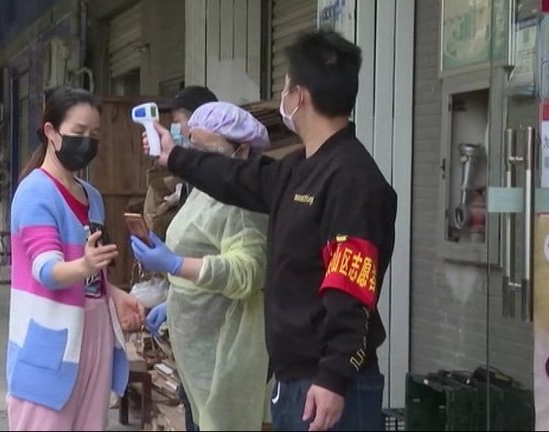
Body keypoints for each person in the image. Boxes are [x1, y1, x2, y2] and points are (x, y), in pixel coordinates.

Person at [145, 29, 398, 432]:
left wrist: (333, 377)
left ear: (298, 96)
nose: (283, 97)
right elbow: (235, 176)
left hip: (327, 388)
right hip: (295, 377)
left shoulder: (353, 181)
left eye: (285, 87)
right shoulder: (299, 168)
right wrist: (174, 155)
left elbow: (352, 289)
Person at [6, 87, 145, 431]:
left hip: (94, 334)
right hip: (50, 339)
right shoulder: (35, 191)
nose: (87, 143)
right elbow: (47, 270)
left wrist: (114, 294)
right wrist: (84, 266)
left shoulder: (92, 197)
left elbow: (92, 274)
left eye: (94, 135)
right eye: (79, 133)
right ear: (52, 133)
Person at [131, 102, 271, 431]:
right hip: (198, 345)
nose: (196, 158)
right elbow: (204, 250)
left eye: (207, 151)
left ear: (242, 152)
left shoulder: (241, 203)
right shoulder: (205, 191)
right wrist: (173, 300)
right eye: (193, 147)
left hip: (225, 349)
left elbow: (248, 272)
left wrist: (176, 264)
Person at [143, 86, 218, 239]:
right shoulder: (181, 166)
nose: (173, 128)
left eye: (177, 121)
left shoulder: (214, 169)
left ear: (198, 123)